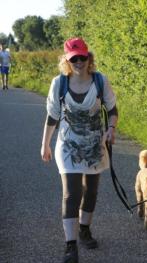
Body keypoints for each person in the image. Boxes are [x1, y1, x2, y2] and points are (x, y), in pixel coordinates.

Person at [40, 37, 118, 263]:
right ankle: (70, 245)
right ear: (66, 59)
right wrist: (45, 143)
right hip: (68, 146)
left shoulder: (100, 81)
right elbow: (53, 115)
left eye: (83, 57)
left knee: (91, 192)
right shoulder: (59, 83)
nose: (79, 61)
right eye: (74, 58)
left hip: (95, 145)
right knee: (71, 193)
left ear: (89, 57)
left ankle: (84, 229)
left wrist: (111, 129)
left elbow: (113, 109)